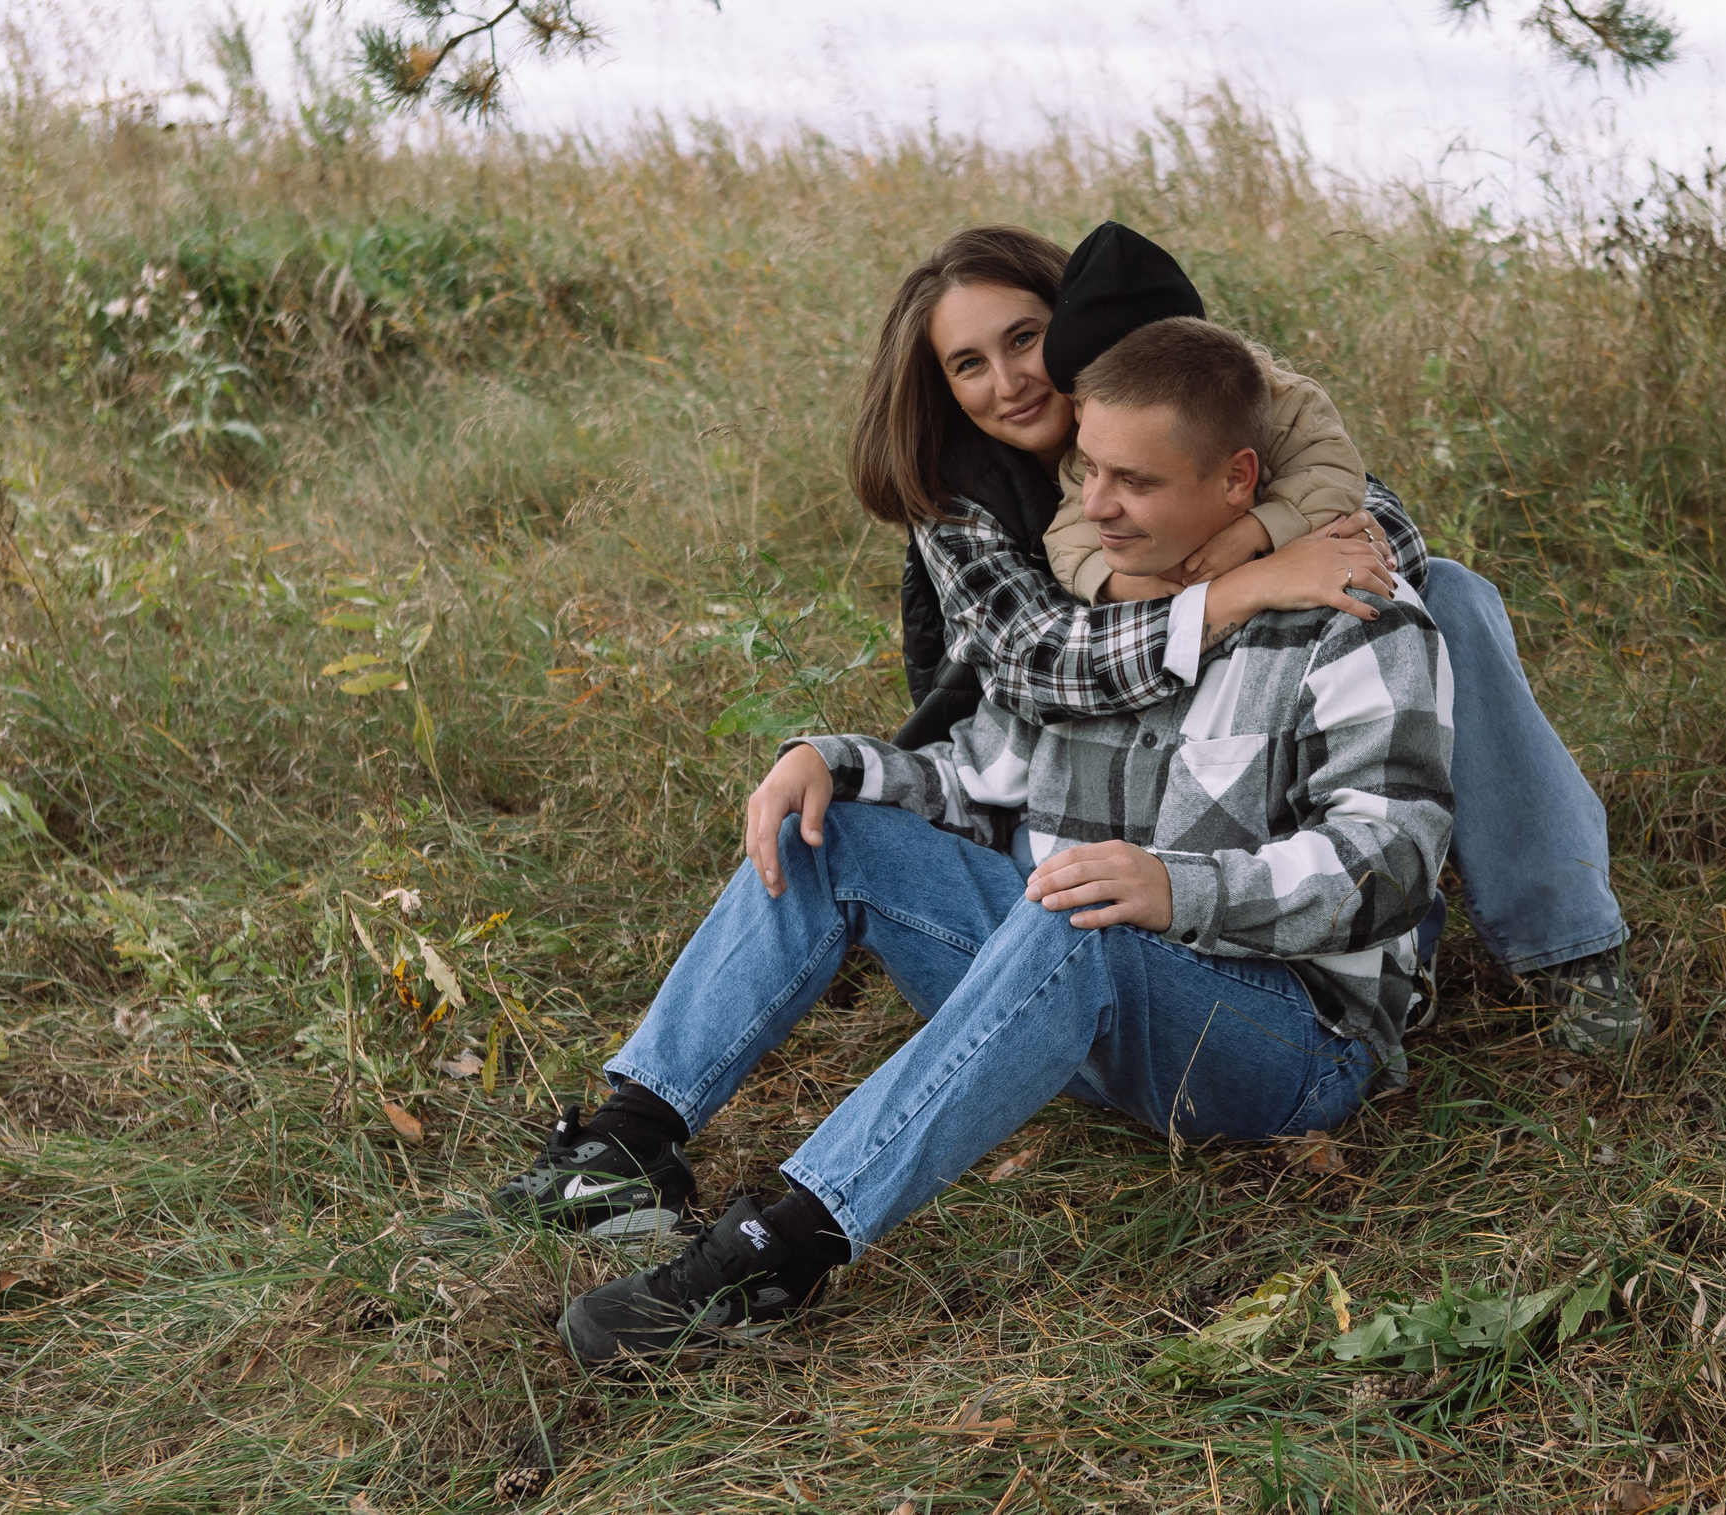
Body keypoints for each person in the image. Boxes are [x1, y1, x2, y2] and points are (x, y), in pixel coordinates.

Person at [544, 315, 1454, 1366]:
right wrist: (831, 763)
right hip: (1069, 977)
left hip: (1288, 1038)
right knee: (831, 825)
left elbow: (1391, 864)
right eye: (1088, 471)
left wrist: (1179, 889)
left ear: (1239, 478)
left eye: (1135, 483)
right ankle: (631, 1140)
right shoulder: (1098, 623)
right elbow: (975, 782)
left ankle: (772, 1255)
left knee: (1082, 916)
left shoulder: (1359, 625)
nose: (1094, 508)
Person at [870, 222, 1639, 1050]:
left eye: (1025, 338)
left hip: (1240, 705)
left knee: (1447, 592)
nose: (1013, 381)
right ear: (943, 385)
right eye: (968, 364)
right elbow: (1042, 667)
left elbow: (1383, 536)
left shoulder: (1182, 385)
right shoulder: (955, 495)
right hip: (1065, 765)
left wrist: (1260, 532)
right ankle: (1292, 963)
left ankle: (1571, 948)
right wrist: (1242, 589)